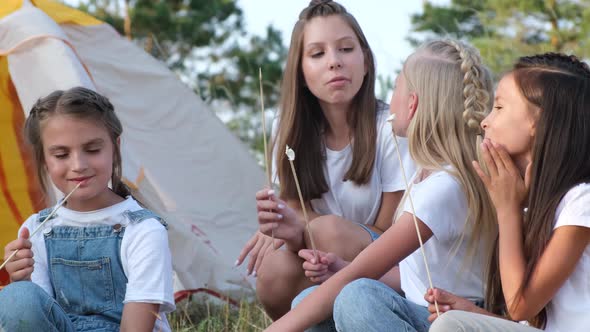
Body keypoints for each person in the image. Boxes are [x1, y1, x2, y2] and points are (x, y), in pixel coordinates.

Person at [264, 38, 497, 332]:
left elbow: (358, 277)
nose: (389, 97)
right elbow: (413, 278)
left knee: (356, 298)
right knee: (307, 301)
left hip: (452, 321)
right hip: (424, 309)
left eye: (396, 86)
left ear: (411, 104)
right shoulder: (426, 177)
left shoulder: (444, 188)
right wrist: (342, 268)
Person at [236, 0, 415, 320]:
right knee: (273, 268)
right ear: (301, 72)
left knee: (328, 231)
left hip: (391, 259)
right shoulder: (286, 128)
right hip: (318, 251)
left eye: (346, 49)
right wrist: (285, 229)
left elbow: (393, 232)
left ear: (366, 60)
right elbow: (294, 206)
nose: (334, 62)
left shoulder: (389, 127)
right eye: (317, 54)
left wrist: (305, 228)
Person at [427, 53, 590, 332]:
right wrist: (475, 313)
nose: (485, 122)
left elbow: (520, 305)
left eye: (499, 107)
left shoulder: (582, 202)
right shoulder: (540, 206)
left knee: (450, 327)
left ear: (538, 123)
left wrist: (507, 209)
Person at [0, 87, 175, 332]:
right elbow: (37, 318)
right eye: (61, 154)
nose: (78, 165)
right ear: (44, 161)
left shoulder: (143, 230)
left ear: (115, 149)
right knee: (17, 296)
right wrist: (22, 281)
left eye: (92, 150)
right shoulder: (36, 229)